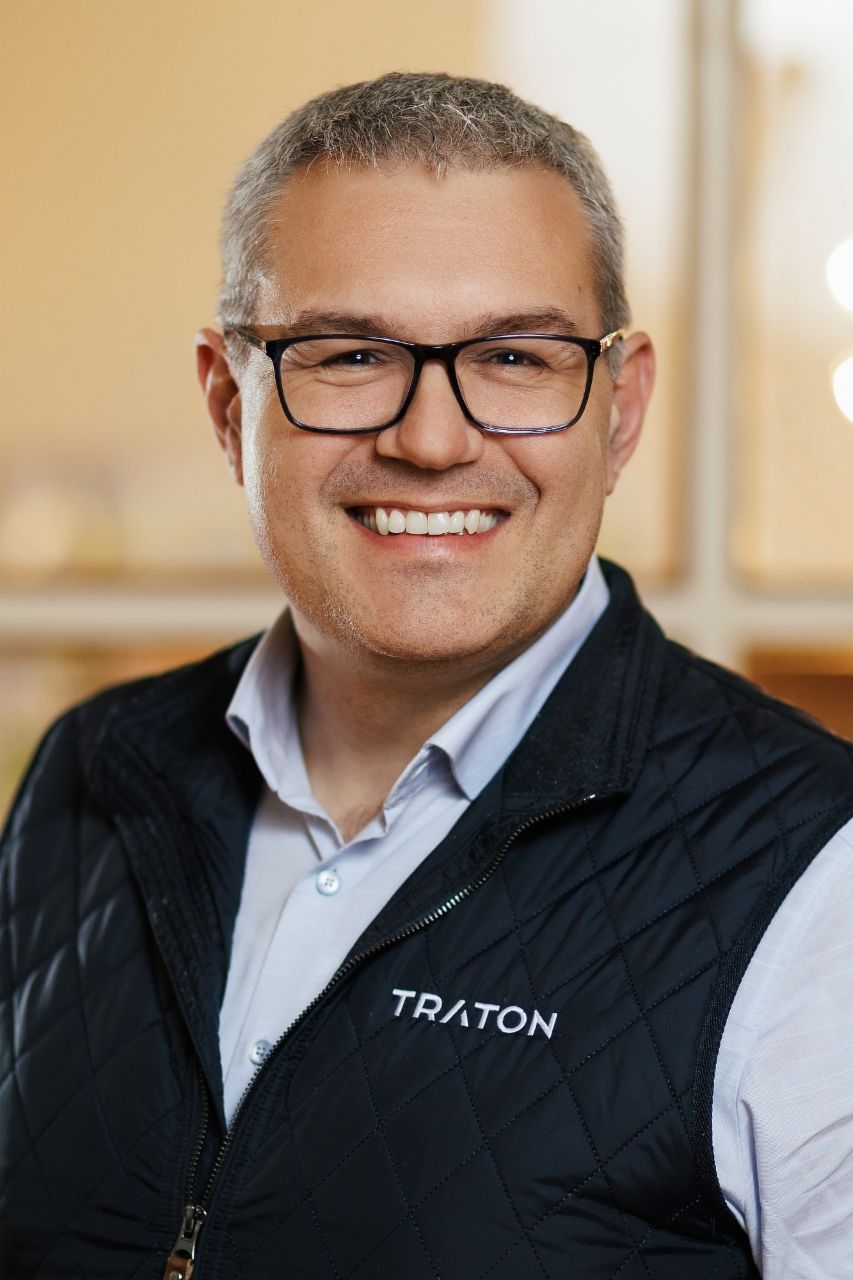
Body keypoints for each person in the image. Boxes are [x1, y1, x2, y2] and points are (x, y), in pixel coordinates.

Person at [2, 72, 852, 1280]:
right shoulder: (86, 771)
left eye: (515, 354)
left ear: (619, 410)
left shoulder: (821, 874)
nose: (433, 438)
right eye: (349, 352)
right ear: (225, 402)